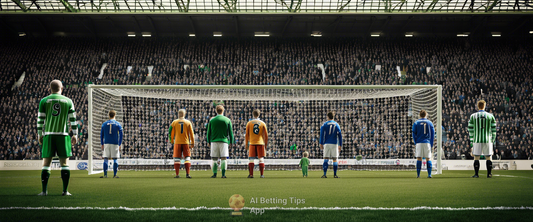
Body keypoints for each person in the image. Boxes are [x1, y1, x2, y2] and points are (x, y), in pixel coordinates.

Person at [37, 80, 78, 196]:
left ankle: (44, 191)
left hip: (49, 135)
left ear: (50, 88)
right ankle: (65, 191)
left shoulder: (44, 101)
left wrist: (40, 134)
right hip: (63, 135)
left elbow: (40, 120)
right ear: (62, 88)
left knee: (46, 163)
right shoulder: (68, 101)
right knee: (64, 164)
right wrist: (75, 134)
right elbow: (73, 120)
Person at [468, 100, 497, 178]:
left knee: (476, 157)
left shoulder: (473, 116)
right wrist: (492, 141)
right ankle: (489, 174)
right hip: (487, 140)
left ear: (478, 106)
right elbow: (494, 130)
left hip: (477, 140)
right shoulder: (490, 116)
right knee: (488, 157)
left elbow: (470, 130)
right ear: (485, 106)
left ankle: (476, 174)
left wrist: (472, 141)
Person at [207, 105, 234, 178]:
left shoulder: (212, 120)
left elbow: (208, 132)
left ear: (216, 110)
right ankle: (223, 174)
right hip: (224, 141)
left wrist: (208, 141)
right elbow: (231, 133)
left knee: (214, 158)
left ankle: (214, 174)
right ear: (223, 110)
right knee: (224, 158)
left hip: (214, 141)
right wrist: (231, 142)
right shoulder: (227, 120)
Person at [169, 109, 195, 178]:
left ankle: (177, 174)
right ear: (184, 114)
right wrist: (192, 143)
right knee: (187, 157)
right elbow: (192, 134)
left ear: (178, 114)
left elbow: (170, 132)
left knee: (177, 158)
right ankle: (187, 174)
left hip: (177, 142)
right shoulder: (188, 122)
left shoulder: (174, 122)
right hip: (186, 142)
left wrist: (171, 140)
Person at [245, 109, 268, 178]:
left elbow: (246, 134)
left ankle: (251, 174)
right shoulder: (263, 123)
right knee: (261, 159)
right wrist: (265, 145)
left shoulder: (249, 123)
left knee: (251, 159)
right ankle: (261, 175)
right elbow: (266, 135)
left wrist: (246, 144)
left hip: (252, 143)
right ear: (259, 114)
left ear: (253, 114)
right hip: (260, 143)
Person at [412, 110, 435, 178]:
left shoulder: (416, 123)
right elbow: (433, 134)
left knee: (419, 158)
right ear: (426, 115)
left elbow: (413, 134)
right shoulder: (430, 123)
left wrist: (416, 142)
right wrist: (431, 143)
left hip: (419, 142)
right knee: (428, 158)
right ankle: (429, 174)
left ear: (419, 115)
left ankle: (418, 175)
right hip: (427, 142)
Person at [100, 110, 123, 178]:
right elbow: (121, 133)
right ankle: (115, 175)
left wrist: (102, 143)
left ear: (108, 115)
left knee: (106, 158)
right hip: (115, 143)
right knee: (115, 159)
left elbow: (101, 135)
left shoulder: (104, 124)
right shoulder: (118, 124)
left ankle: (105, 175)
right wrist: (119, 143)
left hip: (106, 143)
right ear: (115, 115)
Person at [319, 111, 342, 178]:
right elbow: (340, 135)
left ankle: (325, 174)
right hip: (334, 144)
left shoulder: (324, 124)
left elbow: (322, 134)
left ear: (327, 117)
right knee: (335, 159)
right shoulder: (337, 124)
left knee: (326, 159)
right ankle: (335, 174)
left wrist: (321, 143)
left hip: (326, 144)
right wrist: (340, 144)